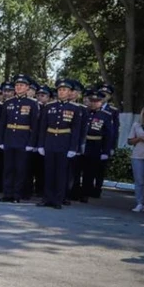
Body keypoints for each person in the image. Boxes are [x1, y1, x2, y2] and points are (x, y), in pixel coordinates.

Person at [36, 79, 83, 209]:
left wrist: (73, 147)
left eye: (65, 90)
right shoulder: (49, 107)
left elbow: (76, 130)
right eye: (60, 90)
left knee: (61, 173)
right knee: (49, 172)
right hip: (50, 141)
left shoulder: (75, 108)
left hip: (64, 142)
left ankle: (58, 199)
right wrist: (41, 144)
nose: (62, 92)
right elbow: (42, 127)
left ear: (69, 92)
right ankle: (47, 198)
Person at [0, 74, 40, 203]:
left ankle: (16, 195)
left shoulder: (32, 103)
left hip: (23, 139)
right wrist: (1, 140)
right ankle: (7, 193)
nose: (19, 87)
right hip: (9, 138)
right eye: (17, 85)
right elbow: (2, 124)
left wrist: (31, 143)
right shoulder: (8, 102)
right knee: (8, 168)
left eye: (22, 85)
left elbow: (35, 126)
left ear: (27, 88)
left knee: (20, 169)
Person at [74, 88, 115, 202]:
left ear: (101, 102)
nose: (93, 103)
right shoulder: (83, 111)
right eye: (92, 100)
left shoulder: (106, 115)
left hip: (95, 145)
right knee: (76, 170)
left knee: (89, 172)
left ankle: (85, 194)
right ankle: (75, 192)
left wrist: (106, 151)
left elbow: (109, 134)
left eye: (96, 101)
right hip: (82, 143)